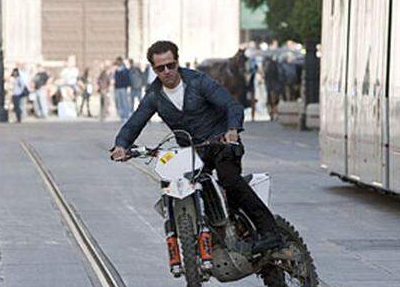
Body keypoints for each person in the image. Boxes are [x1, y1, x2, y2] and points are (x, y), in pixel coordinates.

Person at [110, 41, 283, 254]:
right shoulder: (154, 95)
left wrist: (232, 130)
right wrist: (121, 145)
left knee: (229, 180)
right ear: (153, 69)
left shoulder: (198, 82)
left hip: (220, 144)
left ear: (177, 62)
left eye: (170, 65)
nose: (167, 71)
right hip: (192, 153)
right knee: (176, 183)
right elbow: (135, 121)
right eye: (160, 68)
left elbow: (232, 105)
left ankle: (270, 233)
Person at [113, 57, 131, 123]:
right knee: (119, 102)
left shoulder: (125, 70)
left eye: (118, 61)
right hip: (117, 88)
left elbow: (128, 79)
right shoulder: (116, 70)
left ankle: (126, 116)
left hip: (123, 88)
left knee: (124, 102)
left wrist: (127, 86)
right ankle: (121, 116)